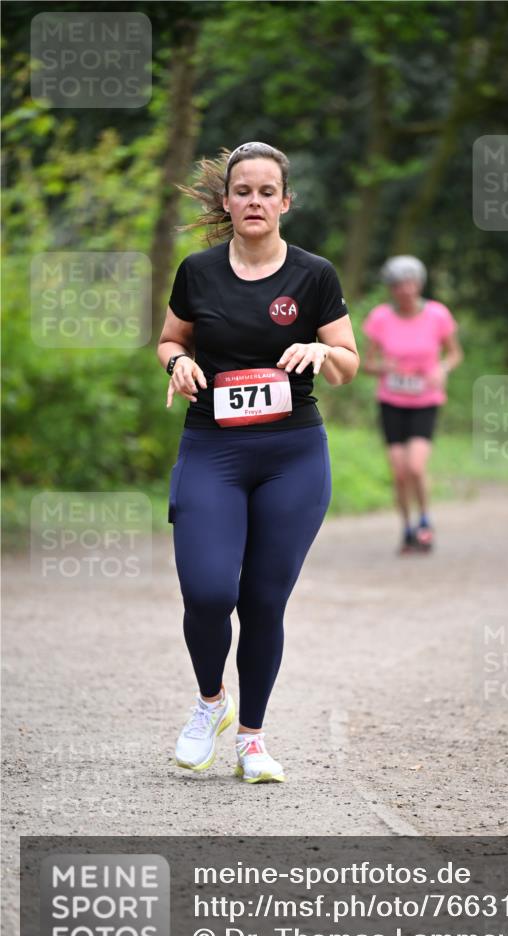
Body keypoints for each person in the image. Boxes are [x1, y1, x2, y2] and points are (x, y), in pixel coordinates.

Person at [157, 142, 359, 782]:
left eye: (267, 192)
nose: (254, 201)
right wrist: (177, 362)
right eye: (243, 190)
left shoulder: (313, 276)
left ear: (285, 203)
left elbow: (351, 362)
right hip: (213, 448)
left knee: (263, 601)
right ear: (227, 200)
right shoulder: (198, 272)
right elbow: (170, 337)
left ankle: (252, 739)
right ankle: (211, 702)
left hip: (292, 455)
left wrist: (320, 352)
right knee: (209, 591)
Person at [362, 255, 463, 553]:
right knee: (399, 471)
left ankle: (425, 521)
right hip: (391, 400)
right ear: (390, 289)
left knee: (416, 467)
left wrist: (441, 369)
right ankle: (406, 528)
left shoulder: (438, 315)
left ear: (419, 284)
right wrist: (385, 368)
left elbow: (455, 354)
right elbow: (367, 364)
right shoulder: (380, 318)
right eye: (398, 285)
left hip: (425, 400)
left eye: (410, 283)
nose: (405, 290)